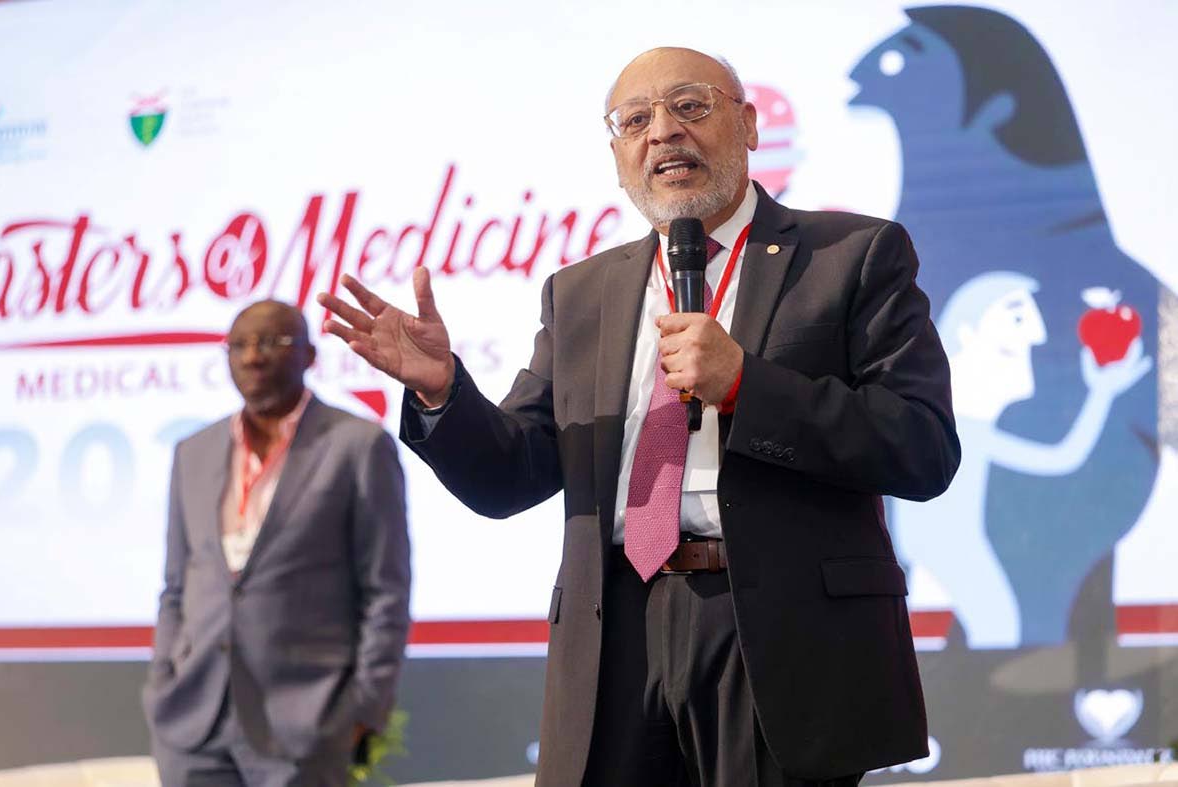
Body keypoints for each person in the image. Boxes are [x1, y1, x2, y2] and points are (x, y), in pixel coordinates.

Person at [320, 47, 959, 787]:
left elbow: (920, 445)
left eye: (689, 106)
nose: (662, 133)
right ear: (617, 153)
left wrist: (747, 384)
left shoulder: (850, 255)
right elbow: (511, 476)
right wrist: (441, 392)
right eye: (635, 120)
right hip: (613, 630)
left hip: (776, 634)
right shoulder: (581, 292)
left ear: (747, 124)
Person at [142, 300, 411, 787]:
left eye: (271, 342)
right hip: (193, 725)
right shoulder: (192, 452)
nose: (252, 357)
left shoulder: (358, 445)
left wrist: (363, 710)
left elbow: (385, 592)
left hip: (304, 726)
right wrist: (163, 680)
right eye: (238, 345)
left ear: (310, 356)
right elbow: (177, 587)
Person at [892, 272, 1150, 648]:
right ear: (966, 333)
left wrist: (1101, 393)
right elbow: (1062, 457)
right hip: (941, 542)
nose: (1038, 335)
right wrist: (1100, 395)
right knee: (994, 626)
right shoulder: (956, 426)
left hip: (943, 542)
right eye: (1016, 317)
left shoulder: (963, 427)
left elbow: (1063, 458)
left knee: (991, 628)